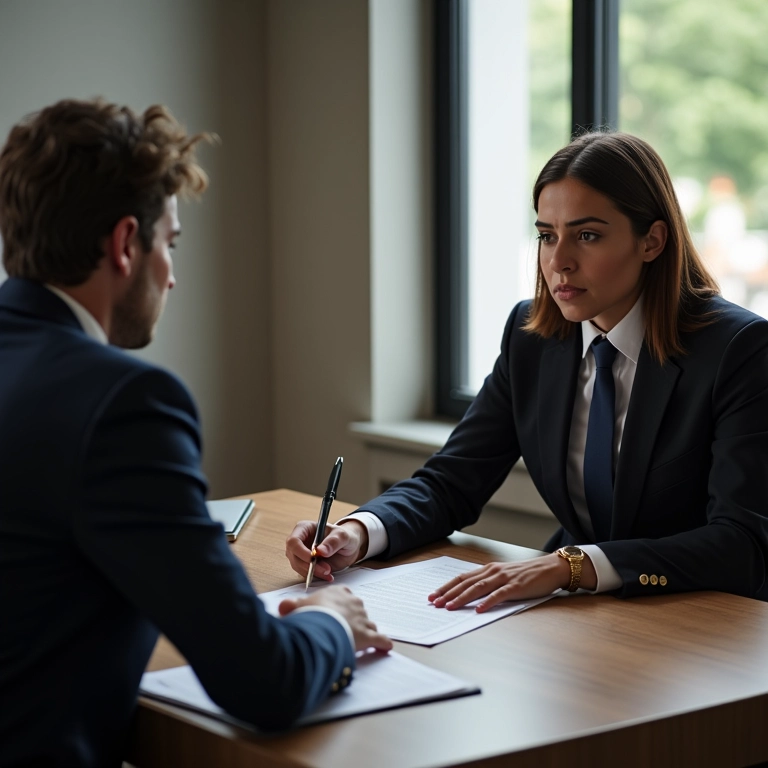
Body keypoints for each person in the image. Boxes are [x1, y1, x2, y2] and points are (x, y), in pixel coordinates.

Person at [0, 98, 391, 768]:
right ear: (127, 244)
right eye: (170, 243)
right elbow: (261, 682)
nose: (172, 275)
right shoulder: (124, 403)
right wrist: (333, 623)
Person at [286, 131, 768, 611]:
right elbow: (452, 481)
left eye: (587, 235)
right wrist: (356, 532)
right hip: (580, 613)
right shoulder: (532, 336)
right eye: (546, 235)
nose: (558, 262)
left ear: (652, 241)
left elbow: (742, 544)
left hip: (702, 621)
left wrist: (571, 565)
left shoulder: (738, 349)